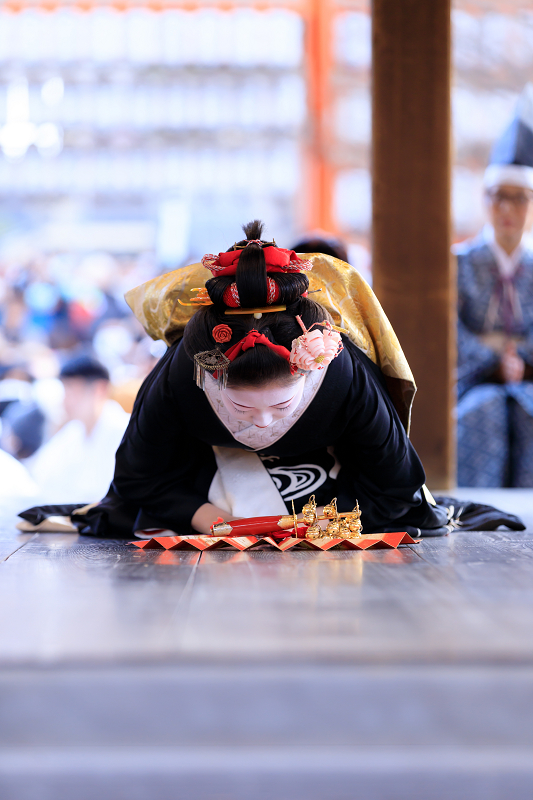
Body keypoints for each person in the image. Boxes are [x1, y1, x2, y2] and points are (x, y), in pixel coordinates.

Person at [456, 84, 533, 486]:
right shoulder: (458, 263)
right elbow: (447, 330)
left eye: (519, 198)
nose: (508, 209)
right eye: (498, 196)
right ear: (484, 201)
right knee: (480, 412)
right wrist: (493, 361)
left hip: (527, 375)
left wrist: (519, 357)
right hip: (471, 381)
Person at [28, 356, 130, 503]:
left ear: (99, 389)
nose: (65, 400)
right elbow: (39, 475)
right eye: (64, 390)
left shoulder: (125, 431)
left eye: (71, 390)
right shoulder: (73, 431)